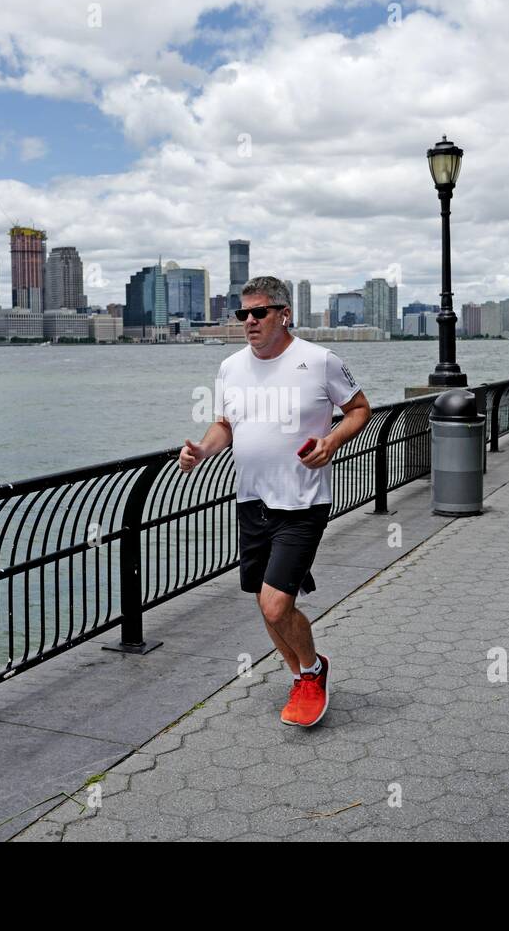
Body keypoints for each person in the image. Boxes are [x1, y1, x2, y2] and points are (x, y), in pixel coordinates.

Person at [179, 275, 370, 727]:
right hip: (252, 503)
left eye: (259, 312)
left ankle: (313, 671)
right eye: (242, 313)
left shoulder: (319, 360)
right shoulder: (230, 368)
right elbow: (227, 423)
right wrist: (202, 451)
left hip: (302, 504)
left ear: (284, 314)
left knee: (274, 605)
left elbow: (359, 409)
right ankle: (301, 675)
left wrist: (331, 442)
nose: (249, 321)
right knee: (265, 600)